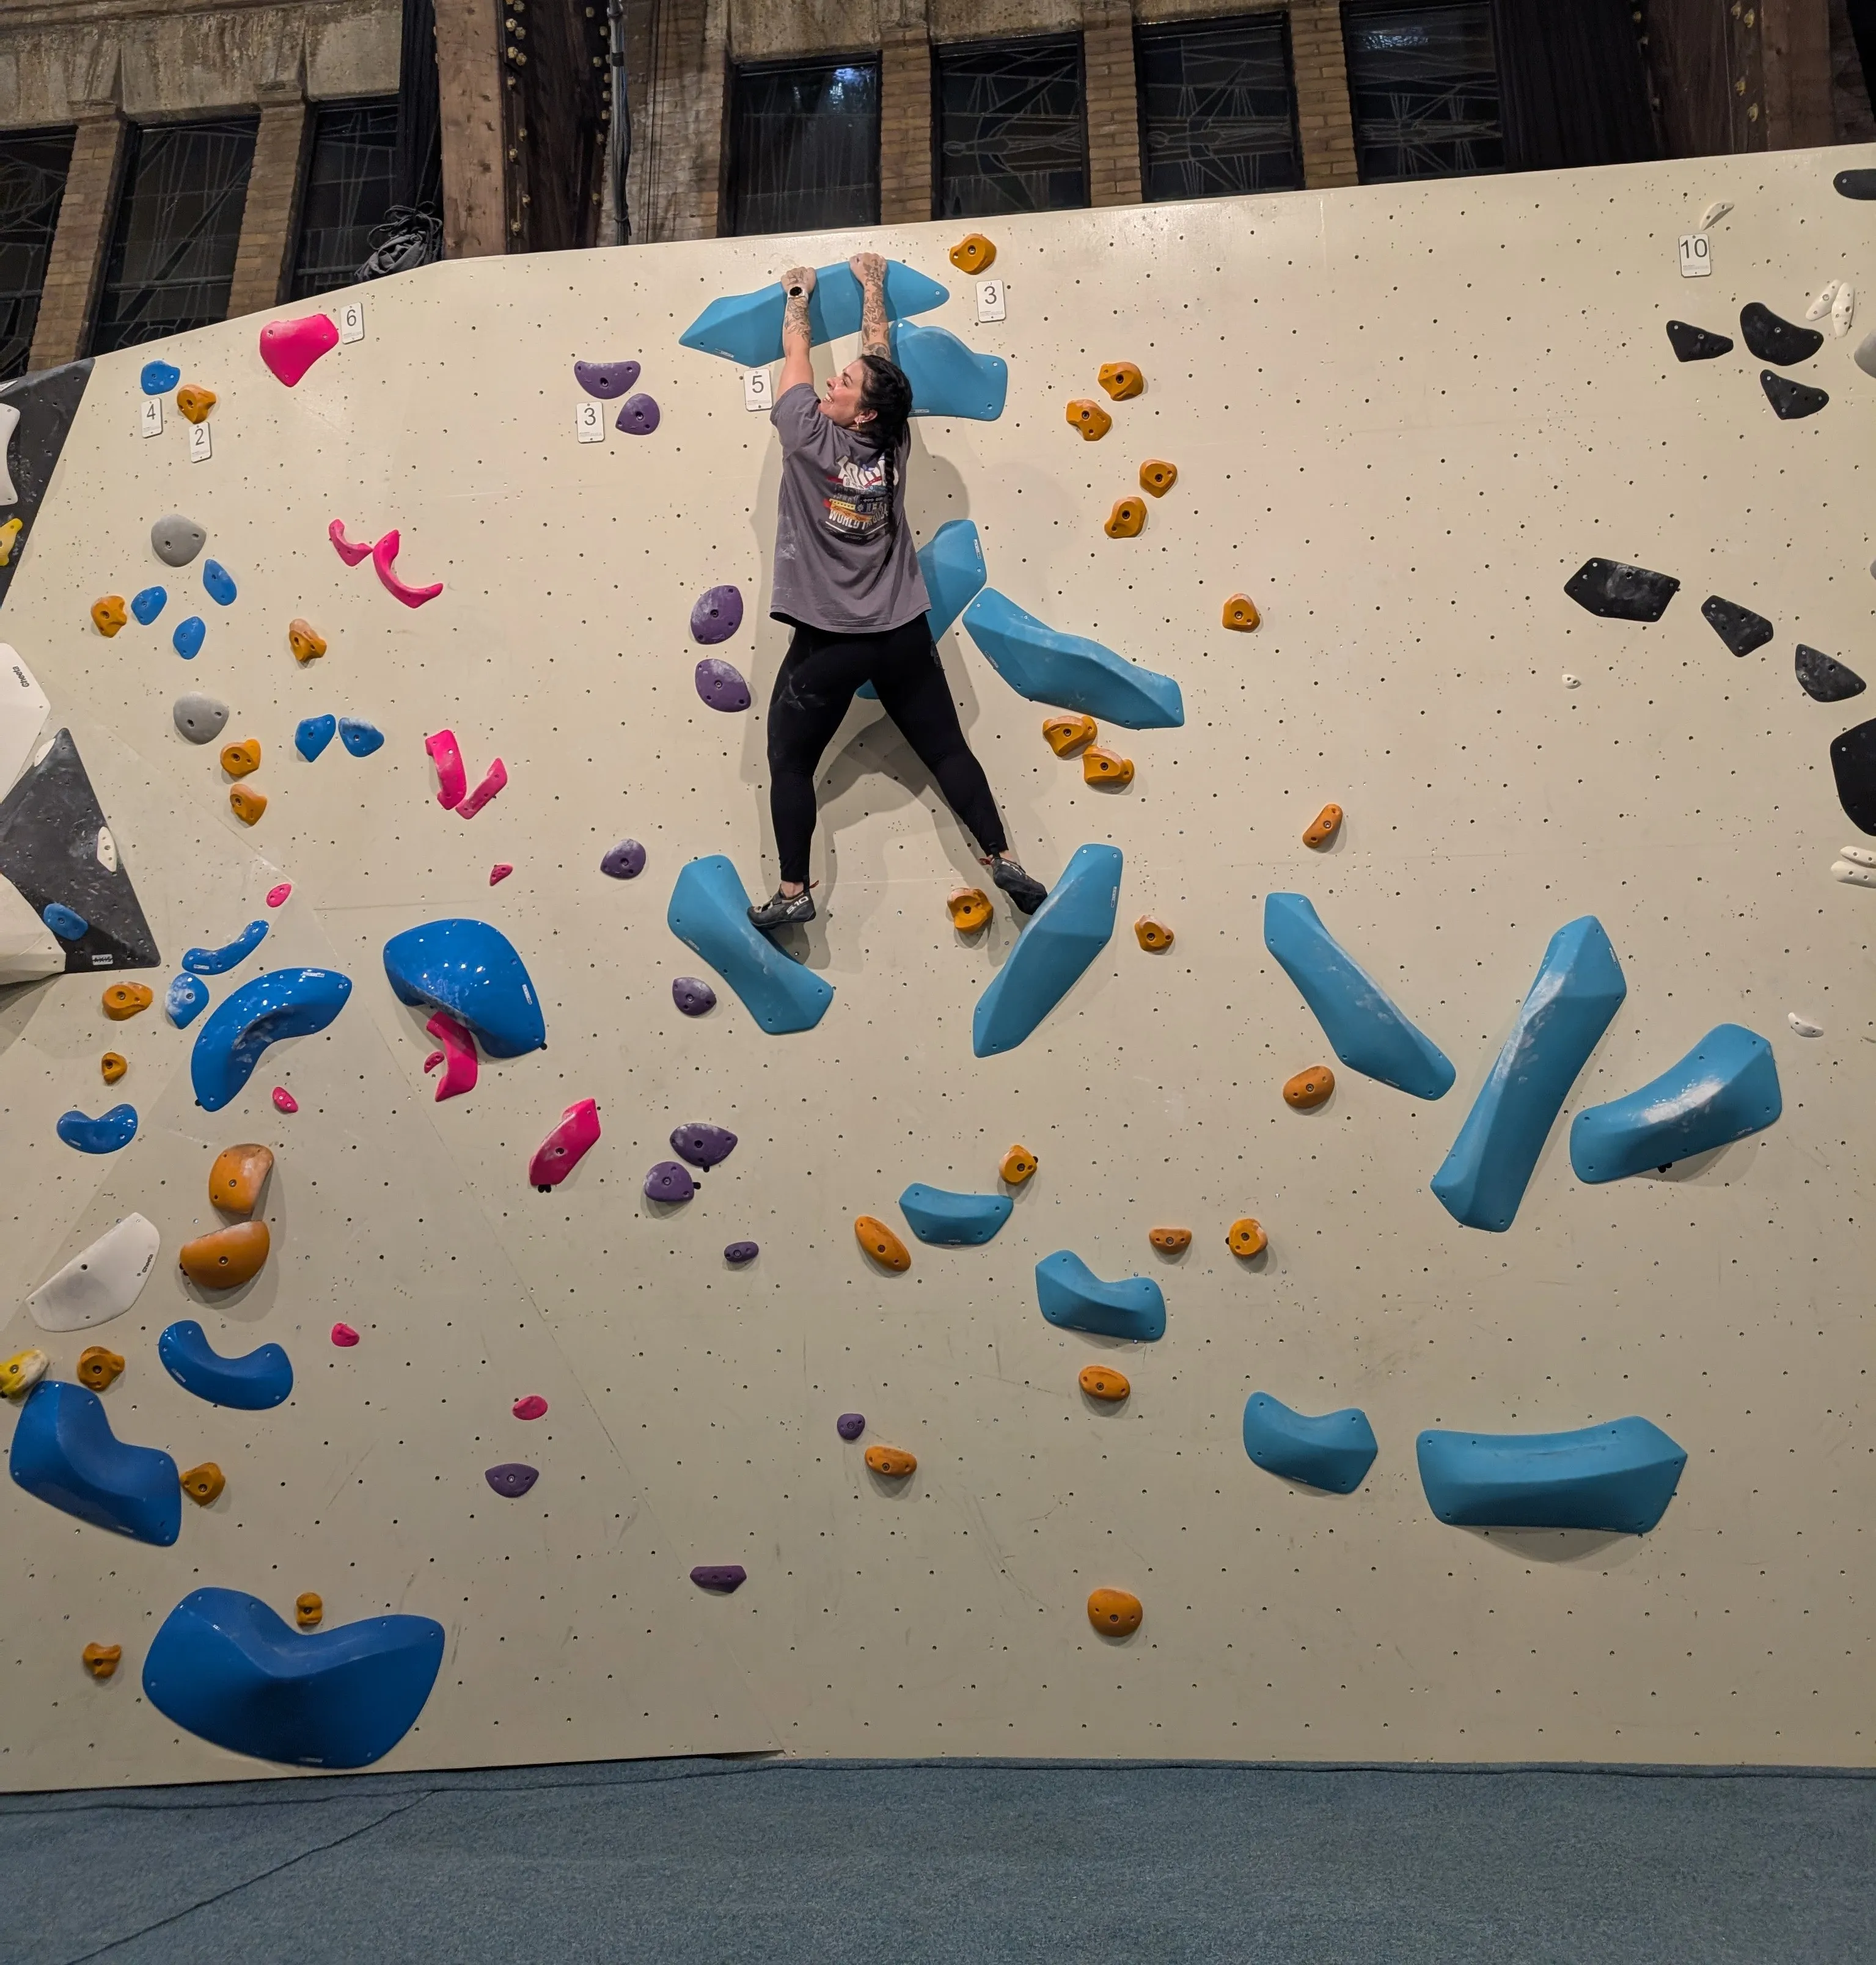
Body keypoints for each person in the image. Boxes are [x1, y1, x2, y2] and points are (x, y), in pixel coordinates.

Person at [747, 251, 1047, 932]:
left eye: (843, 383)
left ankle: (794, 889)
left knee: (788, 760)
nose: (831, 381)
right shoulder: (890, 445)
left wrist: (800, 295)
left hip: (830, 645)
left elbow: (796, 345)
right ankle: (1001, 856)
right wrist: (873, 287)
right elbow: (881, 363)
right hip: (901, 636)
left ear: (857, 414)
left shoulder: (804, 435)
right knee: (945, 750)